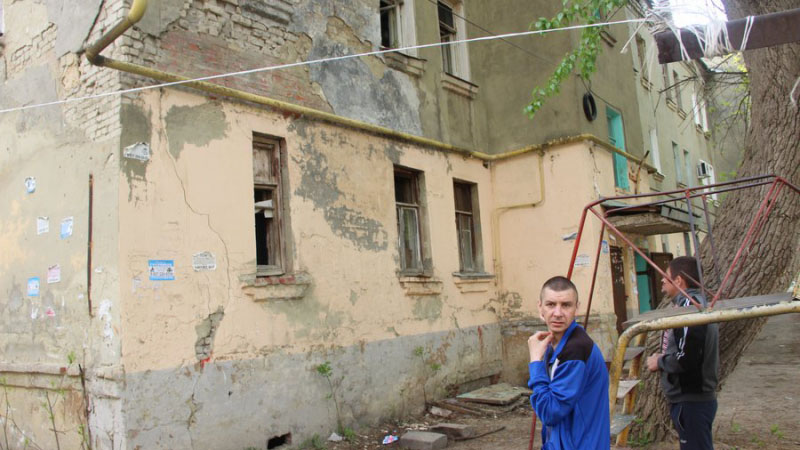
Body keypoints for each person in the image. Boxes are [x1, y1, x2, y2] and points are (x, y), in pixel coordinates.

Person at [527, 276, 610, 450]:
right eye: (551, 304)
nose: (558, 313)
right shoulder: (556, 343)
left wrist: (535, 363)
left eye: (566, 305)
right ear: (540, 307)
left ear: (576, 308)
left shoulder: (575, 349)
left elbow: (550, 413)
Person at [646, 256, 719, 450]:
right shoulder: (691, 305)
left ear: (678, 280)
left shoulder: (690, 307)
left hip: (691, 400)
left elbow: (687, 358)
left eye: (666, 276)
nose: (662, 280)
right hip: (691, 399)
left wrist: (659, 362)